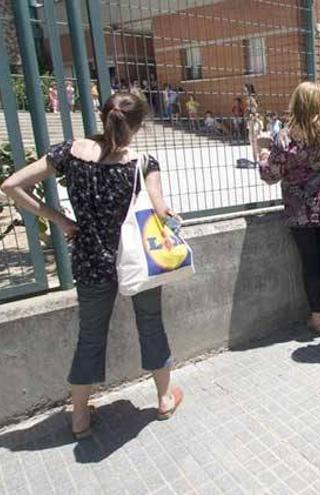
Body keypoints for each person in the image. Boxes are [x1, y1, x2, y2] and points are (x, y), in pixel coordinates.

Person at [0, 92, 185, 438]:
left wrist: (58, 219)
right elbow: (161, 211)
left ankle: (80, 419)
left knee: (90, 337)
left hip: (89, 261)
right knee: (151, 325)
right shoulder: (142, 161)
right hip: (136, 262)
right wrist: (172, 220)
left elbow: (11, 185)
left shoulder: (69, 152)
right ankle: (163, 399)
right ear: (138, 126)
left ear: (104, 117)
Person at [258, 82, 320, 335]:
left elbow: (270, 174)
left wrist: (263, 150)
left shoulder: (285, 136)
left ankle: (317, 318)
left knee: (310, 263)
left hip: (299, 212)